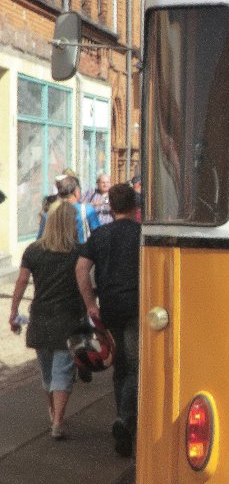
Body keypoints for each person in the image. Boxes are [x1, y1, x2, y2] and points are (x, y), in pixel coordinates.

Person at [8, 204, 85, 439]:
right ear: (69, 225)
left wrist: (14, 311)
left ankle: (53, 413)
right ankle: (58, 421)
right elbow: (86, 283)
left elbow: (21, 282)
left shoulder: (33, 251)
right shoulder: (78, 252)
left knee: (48, 374)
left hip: (40, 317)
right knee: (63, 371)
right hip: (69, 317)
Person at [76, 182, 140, 457]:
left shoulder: (100, 235)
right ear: (135, 207)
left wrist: (91, 304)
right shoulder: (142, 234)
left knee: (121, 364)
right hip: (138, 306)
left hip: (110, 306)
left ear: (111, 207)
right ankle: (127, 420)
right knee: (135, 364)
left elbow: (81, 268)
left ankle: (122, 416)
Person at [39, 174, 100, 243]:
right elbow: (98, 234)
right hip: (81, 251)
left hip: (56, 252)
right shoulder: (87, 210)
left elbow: (40, 239)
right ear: (76, 192)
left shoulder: (49, 213)